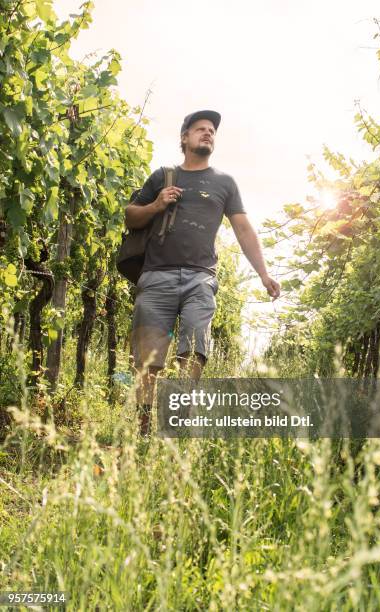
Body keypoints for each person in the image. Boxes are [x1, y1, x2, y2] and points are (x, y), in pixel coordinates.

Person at [125, 110, 280, 435]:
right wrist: (156, 205)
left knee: (194, 349)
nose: (208, 133)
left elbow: (243, 229)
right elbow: (130, 217)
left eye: (211, 130)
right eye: (200, 129)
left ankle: (176, 424)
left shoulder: (224, 183)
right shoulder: (162, 176)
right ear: (185, 138)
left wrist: (264, 274)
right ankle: (143, 430)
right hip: (156, 277)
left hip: (200, 279)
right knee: (148, 361)